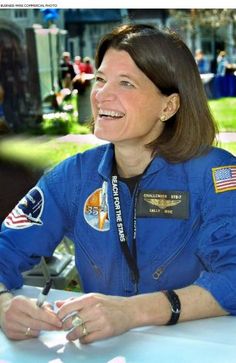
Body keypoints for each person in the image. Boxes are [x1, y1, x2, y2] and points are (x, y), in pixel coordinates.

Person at [1, 24, 236, 344]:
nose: (101, 95)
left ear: (168, 106)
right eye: (100, 79)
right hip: (104, 351)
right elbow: (5, 250)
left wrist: (132, 312)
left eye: (126, 83)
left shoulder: (215, 174)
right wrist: (4, 306)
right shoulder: (70, 178)